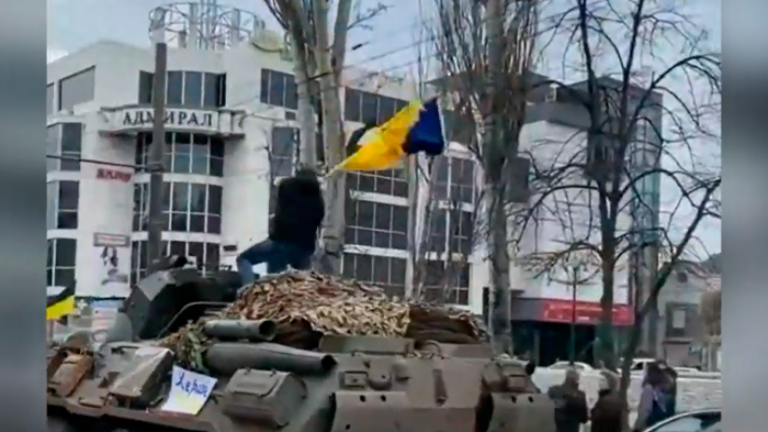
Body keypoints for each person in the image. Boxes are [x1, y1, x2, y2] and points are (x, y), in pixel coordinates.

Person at [236, 167, 325, 284]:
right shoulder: (317, 197)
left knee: (244, 259)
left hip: (281, 242)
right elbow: (319, 220)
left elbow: (280, 212)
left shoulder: (287, 187)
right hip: (305, 249)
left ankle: (249, 291)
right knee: (301, 283)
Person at [633, 362, 675, 432]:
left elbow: (646, 409)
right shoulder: (664, 388)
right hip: (663, 424)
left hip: (650, 425)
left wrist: (637, 427)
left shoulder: (649, 388)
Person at [547, 368, 589, 432]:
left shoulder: (553, 390)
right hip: (572, 428)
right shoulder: (580, 395)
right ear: (577, 380)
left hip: (556, 427)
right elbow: (584, 419)